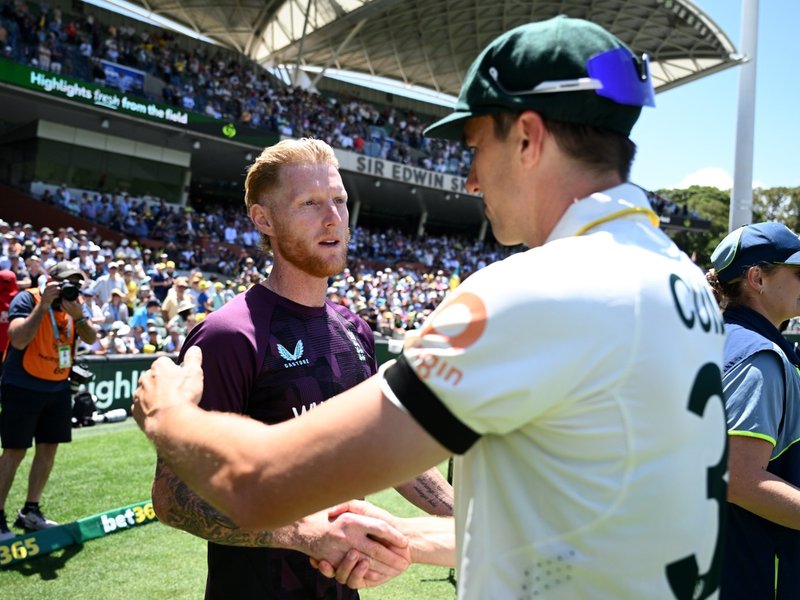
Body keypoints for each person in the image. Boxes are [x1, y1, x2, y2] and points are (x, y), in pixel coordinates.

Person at [133, 17, 727, 598]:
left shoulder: (536, 289)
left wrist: (169, 416)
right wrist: (404, 540)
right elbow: (574, 516)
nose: (470, 180)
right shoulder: (685, 279)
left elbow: (258, 483)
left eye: (474, 147)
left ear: (526, 137)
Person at [149, 138, 453, 599]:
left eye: (339, 201)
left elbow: (381, 446)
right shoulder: (229, 336)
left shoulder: (354, 329)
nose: (333, 218)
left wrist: (464, 519)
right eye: (310, 203)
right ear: (264, 219)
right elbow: (174, 497)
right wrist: (305, 533)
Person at [705, 222, 800, 599]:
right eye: (797, 273)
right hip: (756, 572)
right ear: (757, 278)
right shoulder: (758, 357)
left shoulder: (716, 337)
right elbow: (739, 477)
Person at [0, 262, 96, 540]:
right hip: (23, 385)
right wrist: (42, 308)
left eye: (76, 284)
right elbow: (17, 340)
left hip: (57, 386)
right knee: (14, 451)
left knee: (48, 448)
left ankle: (31, 510)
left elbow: (91, 337)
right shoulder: (28, 298)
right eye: (66, 282)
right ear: (50, 281)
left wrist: (79, 317)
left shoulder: (74, 304)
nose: (72, 288)